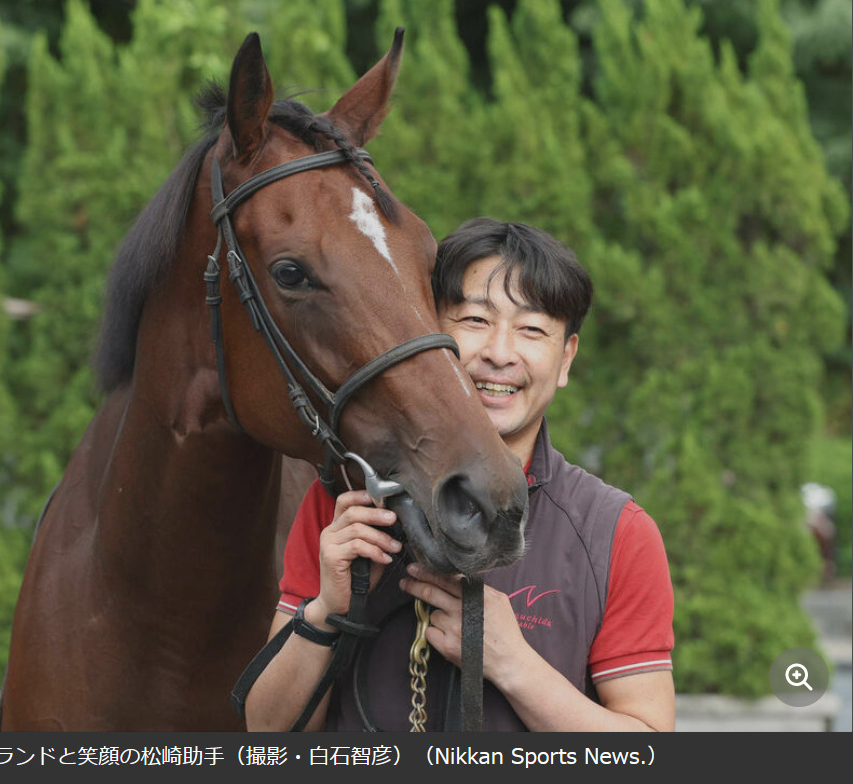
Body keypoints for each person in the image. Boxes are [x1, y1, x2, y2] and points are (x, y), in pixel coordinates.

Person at [244, 217, 675, 732]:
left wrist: (513, 664)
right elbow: (266, 734)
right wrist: (325, 613)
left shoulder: (616, 532)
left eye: (532, 329)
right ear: (427, 331)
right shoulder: (345, 504)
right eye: (474, 319)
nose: (499, 352)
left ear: (566, 359)